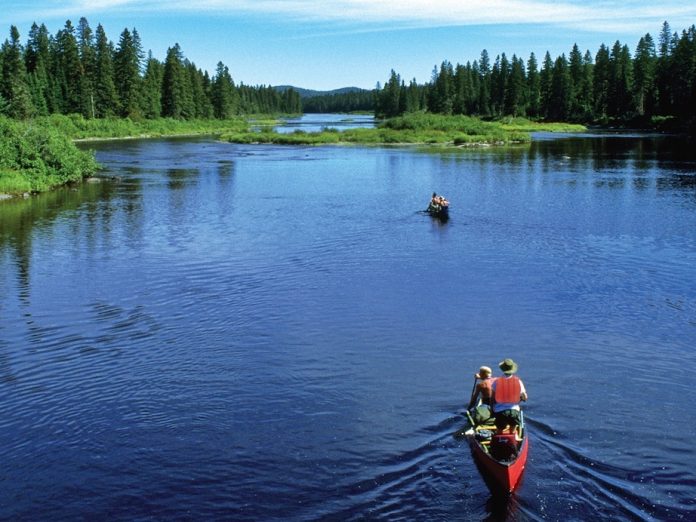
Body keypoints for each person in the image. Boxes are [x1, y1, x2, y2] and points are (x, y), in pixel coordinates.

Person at [491, 358, 527, 433]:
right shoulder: (518, 381)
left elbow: (493, 398)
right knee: (512, 430)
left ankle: (499, 441)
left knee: (499, 430)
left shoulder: (497, 381)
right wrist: (521, 398)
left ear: (503, 369)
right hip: (514, 410)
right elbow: (525, 397)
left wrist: (492, 409)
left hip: (500, 411)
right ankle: (512, 440)